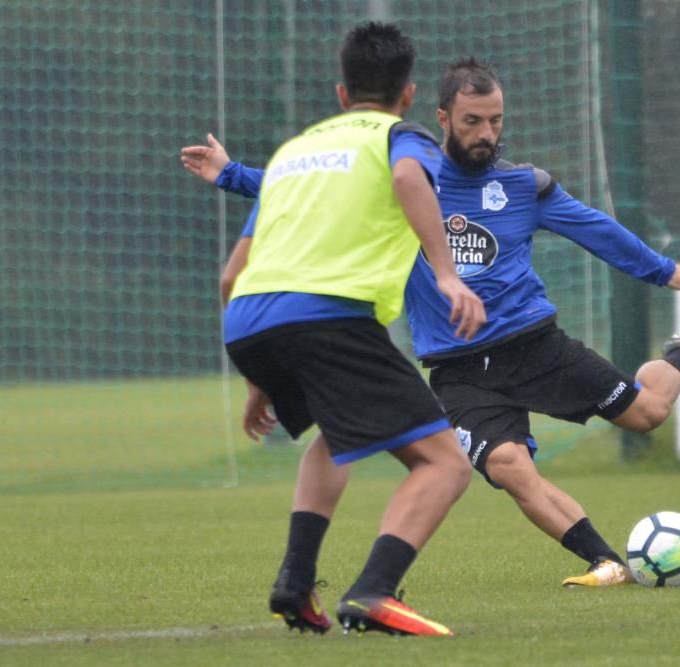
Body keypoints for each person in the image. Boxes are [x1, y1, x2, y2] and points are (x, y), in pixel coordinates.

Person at [182, 58, 680, 591]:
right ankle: (605, 561)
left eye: (495, 120)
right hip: (458, 371)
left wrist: (661, 272)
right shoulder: (403, 181)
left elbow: (596, 229)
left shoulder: (525, 186)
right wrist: (230, 174)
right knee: (509, 467)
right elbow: (307, 189)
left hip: (537, 346)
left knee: (647, 415)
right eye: (473, 121)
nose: (486, 133)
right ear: (442, 119)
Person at [203, 24, 486, 637]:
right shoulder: (400, 136)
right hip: (328, 317)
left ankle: (295, 584)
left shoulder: (292, 153)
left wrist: (263, 379)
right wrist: (447, 275)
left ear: (340, 92)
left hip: (250, 318)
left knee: (334, 434)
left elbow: (232, 276)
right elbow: (410, 181)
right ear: (409, 95)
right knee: (445, 464)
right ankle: (375, 592)